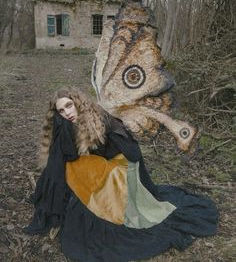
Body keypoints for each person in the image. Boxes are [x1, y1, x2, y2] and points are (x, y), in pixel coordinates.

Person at [25, 86, 218, 262]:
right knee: (74, 166)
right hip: (100, 165)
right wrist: (63, 127)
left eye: (69, 106)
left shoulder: (99, 117)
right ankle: (82, 197)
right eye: (61, 110)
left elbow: (131, 152)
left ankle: (98, 202)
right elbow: (67, 154)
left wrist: (111, 169)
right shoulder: (68, 123)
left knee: (80, 169)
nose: (67, 113)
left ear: (78, 103)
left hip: (122, 164)